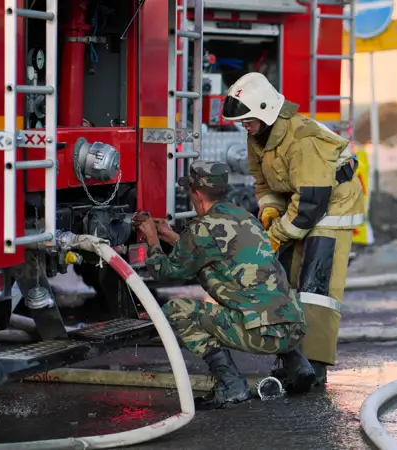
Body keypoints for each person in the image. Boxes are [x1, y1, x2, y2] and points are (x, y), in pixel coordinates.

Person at [220, 72, 365, 386]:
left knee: (317, 287)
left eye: (248, 120)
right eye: (242, 121)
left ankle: (315, 366)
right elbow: (262, 182)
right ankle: (293, 356)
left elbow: (312, 202)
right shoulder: (258, 135)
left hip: (331, 208)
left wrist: (277, 234)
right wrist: (270, 207)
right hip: (300, 204)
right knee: (282, 276)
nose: (244, 126)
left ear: (266, 111)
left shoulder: (302, 139)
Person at [134, 161, 316, 410]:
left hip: (262, 335)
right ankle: (298, 367)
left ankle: (231, 385)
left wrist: (152, 240)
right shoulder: (245, 218)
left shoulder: (201, 228)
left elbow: (165, 273)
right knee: (263, 295)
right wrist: (169, 236)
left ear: (196, 194)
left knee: (176, 310)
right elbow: (211, 254)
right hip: (292, 329)